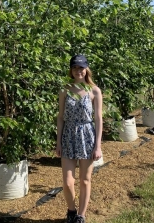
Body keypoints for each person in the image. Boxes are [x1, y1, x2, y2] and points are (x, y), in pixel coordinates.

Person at [56, 54, 103, 223]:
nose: (78, 71)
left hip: (87, 136)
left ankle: (80, 216)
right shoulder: (64, 89)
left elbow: (98, 119)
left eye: (81, 68)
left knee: (84, 180)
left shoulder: (94, 91)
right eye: (75, 67)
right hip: (68, 135)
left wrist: (98, 146)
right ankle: (71, 211)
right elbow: (60, 117)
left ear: (86, 69)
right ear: (71, 70)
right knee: (68, 182)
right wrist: (58, 142)